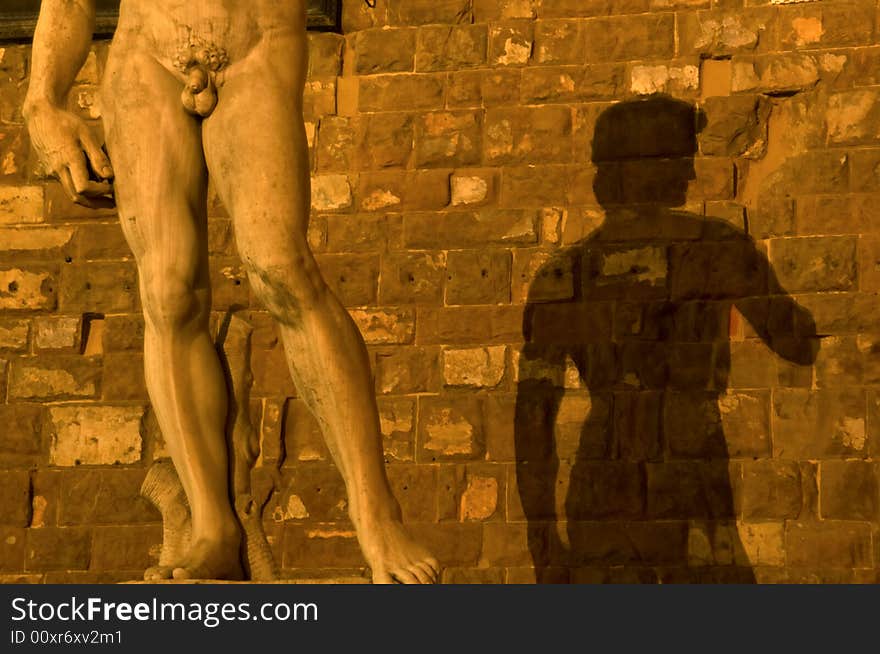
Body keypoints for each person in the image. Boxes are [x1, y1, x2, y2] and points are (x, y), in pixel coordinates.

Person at [24, 0, 438, 584]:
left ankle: (376, 515)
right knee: (168, 292)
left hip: (255, 38)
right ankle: (212, 526)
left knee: (279, 265)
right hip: (146, 49)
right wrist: (44, 98)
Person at [514, 96, 819, 583]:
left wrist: (543, 539)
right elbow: (798, 343)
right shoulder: (715, 250)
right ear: (651, 169)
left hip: (602, 482)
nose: (692, 175)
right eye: (681, 159)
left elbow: (534, 423)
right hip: (688, 472)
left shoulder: (563, 275)